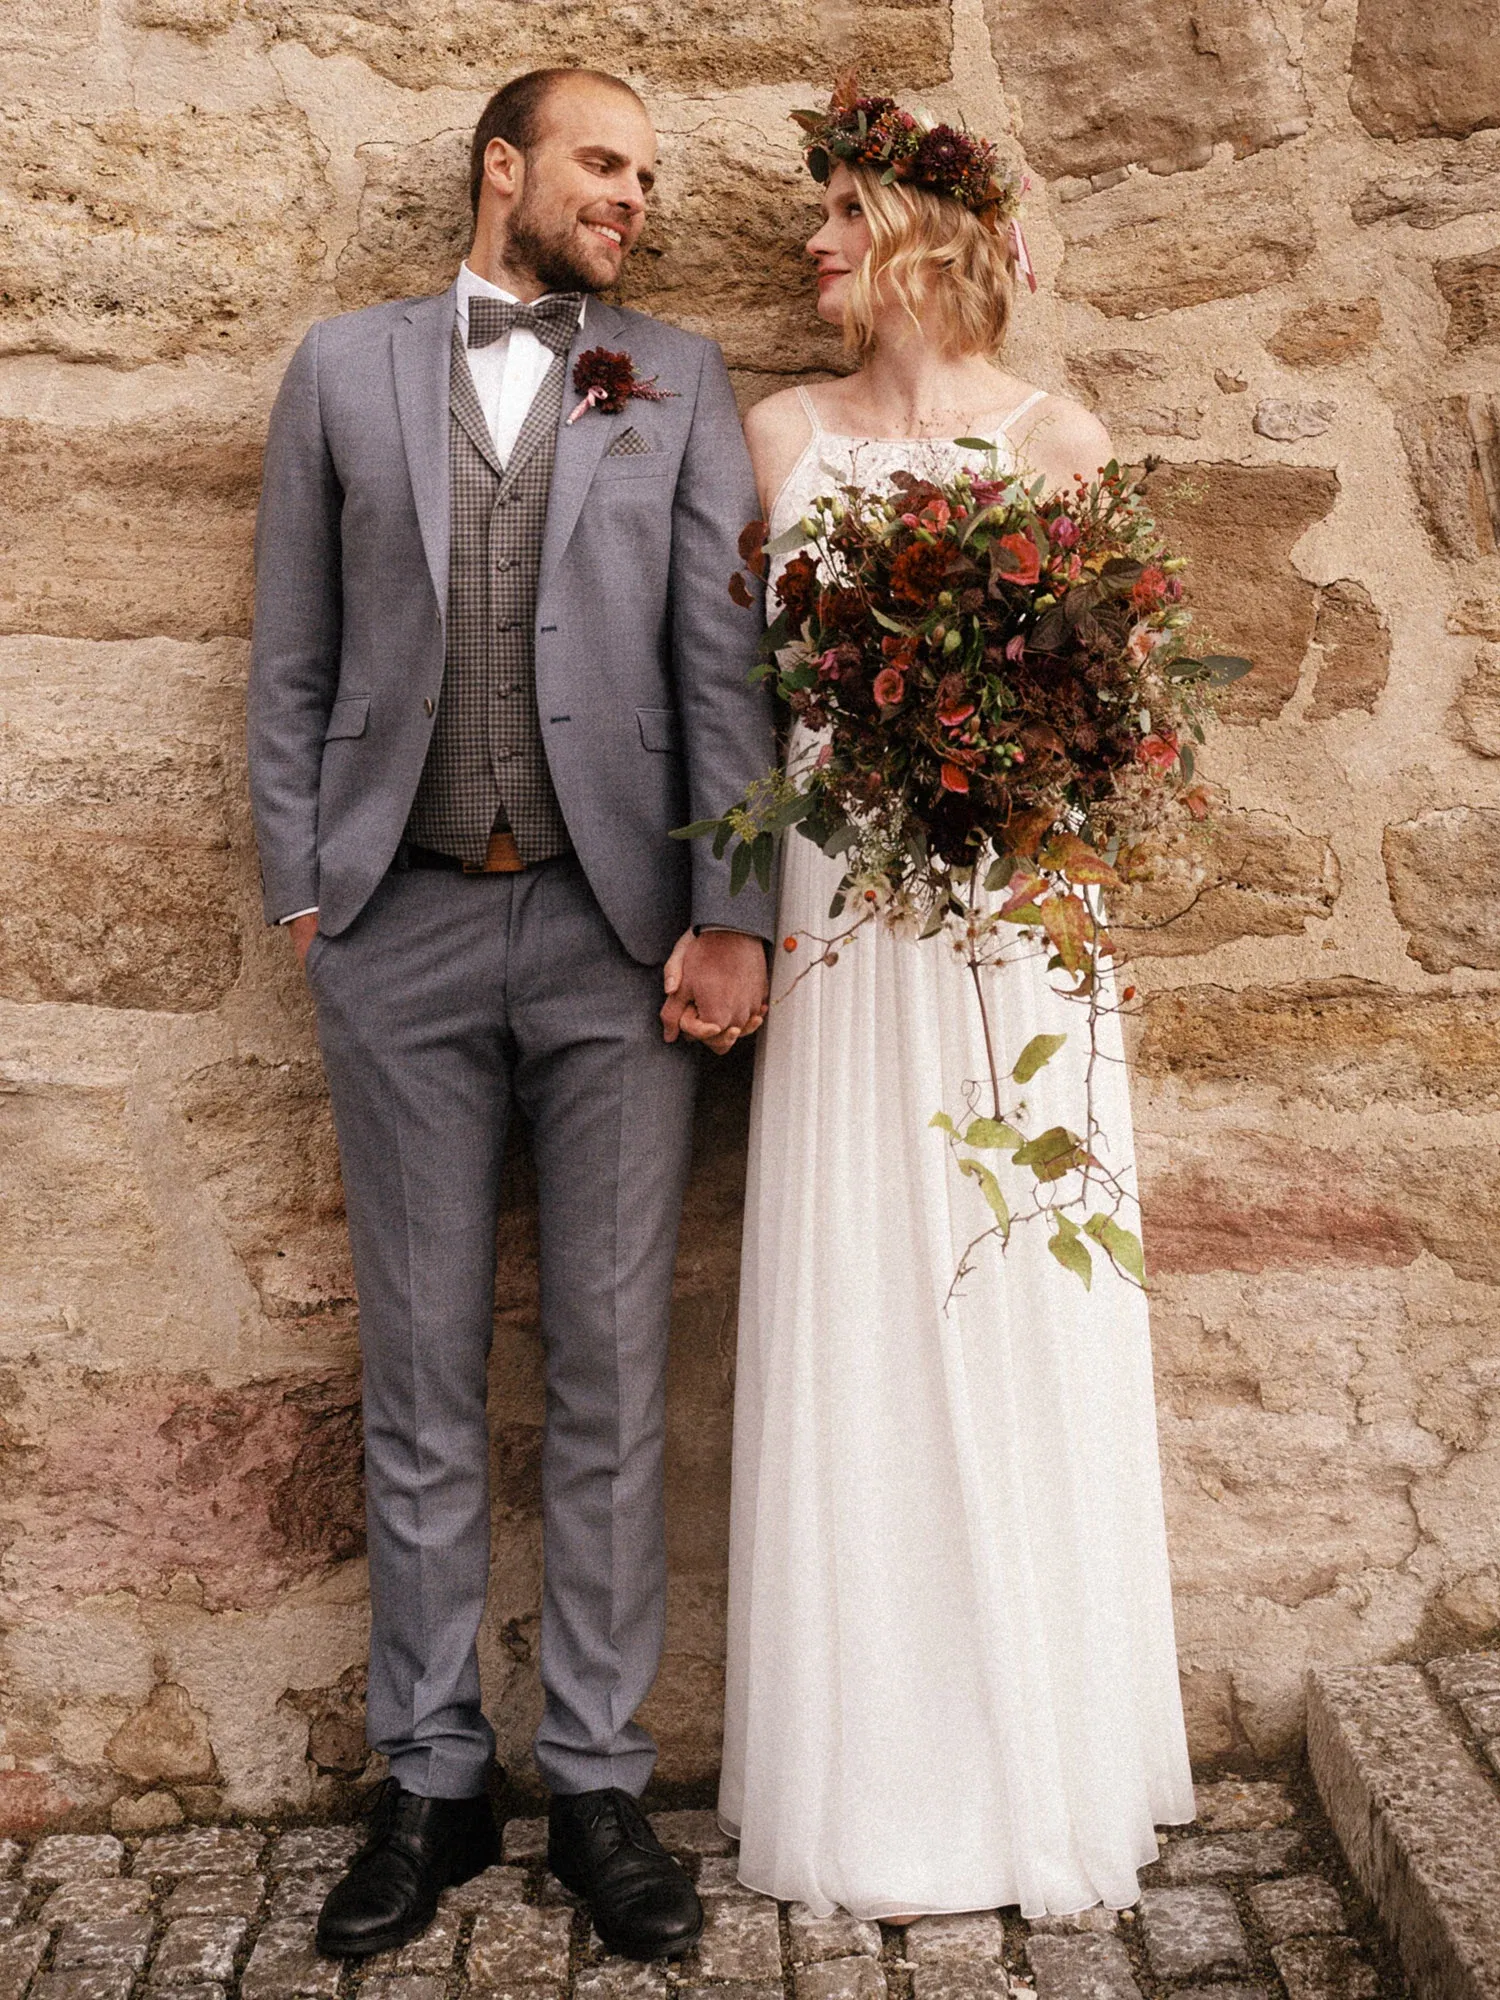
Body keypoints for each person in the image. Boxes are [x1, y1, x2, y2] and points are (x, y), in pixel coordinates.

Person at [247, 66, 775, 1962]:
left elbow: (722, 666)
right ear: (504, 168)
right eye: (602, 164)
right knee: (418, 1374)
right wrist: (305, 882)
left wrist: (734, 914)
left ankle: (603, 1785)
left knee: (611, 1375)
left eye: (647, 174)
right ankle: (433, 1778)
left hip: (614, 940)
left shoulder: (680, 380)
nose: (632, 197)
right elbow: (293, 649)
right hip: (394, 930)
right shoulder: (341, 370)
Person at [704, 92, 1196, 1920]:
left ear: (924, 230)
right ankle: (873, 1770)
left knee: (1014, 1282)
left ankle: (1037, 1757)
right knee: (862, 1277)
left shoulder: (1057, 439)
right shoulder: (777, 436)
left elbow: (1119, 713)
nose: (814, 246)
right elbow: (731, 694)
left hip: (1006, 926)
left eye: (842, 213)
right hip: (842, 914)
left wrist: (1006, 764)